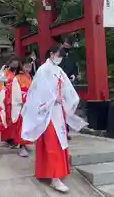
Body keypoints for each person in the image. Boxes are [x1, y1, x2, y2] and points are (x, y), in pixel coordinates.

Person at [21, 44, 86, 193]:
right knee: (52, 142)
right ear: (51, 54)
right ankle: (54, 177)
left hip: (57, 110)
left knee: (58, 141)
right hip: (47, 110)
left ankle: (50, 172)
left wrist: (67, 98)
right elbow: (37, 91)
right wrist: (52, 99)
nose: (60, 58)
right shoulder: (43, 70)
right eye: (59, 54)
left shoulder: (59, 70)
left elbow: (66, 87)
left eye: (61, 55)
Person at [12, 58, 33, 157]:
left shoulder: (29, 77)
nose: (28, 68)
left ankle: (25, 144)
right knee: (21, 126)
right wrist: (23, 99)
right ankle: (22, 146)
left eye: (30, 66)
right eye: (26, 66)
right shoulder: (17, 78)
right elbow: (16, 94)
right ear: (22, 66)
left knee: (28, 126)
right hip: (21, 104)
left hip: (29, 104)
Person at [0, 55, 20, 146]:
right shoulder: (5, 71)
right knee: (8, 117)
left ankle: (15, 136)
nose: (15, 64)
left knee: (16, 117)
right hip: (7, 96)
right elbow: (1, 82)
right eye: (13, 63)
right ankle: (8, 137)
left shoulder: (19, 72)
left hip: (16, 95)